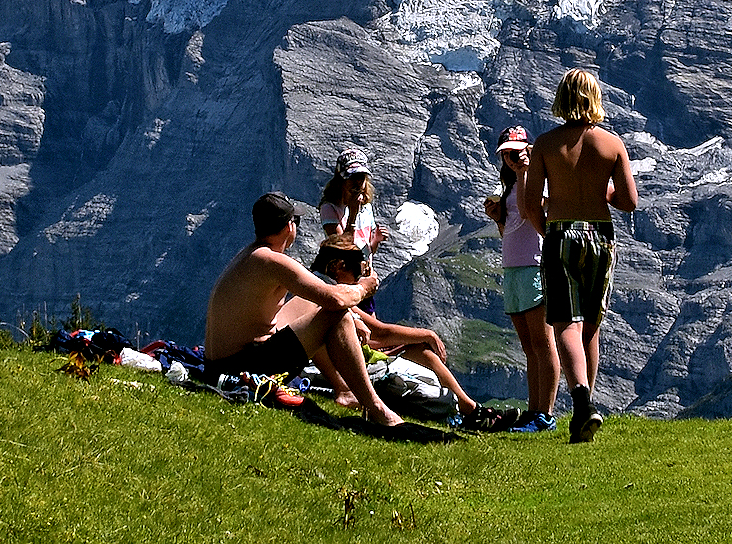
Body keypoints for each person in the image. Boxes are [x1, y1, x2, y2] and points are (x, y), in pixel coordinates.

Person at [203, 192, 403, 429]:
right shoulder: (272, 261)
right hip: (240, 369)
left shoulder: (251, 254)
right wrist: (362, 288)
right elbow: (335, 299)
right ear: (289, 226)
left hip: (218, 365)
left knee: (308, 303)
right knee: (335, 315)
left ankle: (345, 389)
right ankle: (377, 409)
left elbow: (321, 299)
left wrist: (350, 313)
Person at [524, 69, 638, 444]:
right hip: (601, 237)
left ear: (561, 98)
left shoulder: (544, 145)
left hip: (561, 235)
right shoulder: (611, 144)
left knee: (565, 325)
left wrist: (551, 232)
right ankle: (582, 418)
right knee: (591, 325)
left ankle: (582, 402)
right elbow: (629, 202)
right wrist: (601, 192)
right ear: (595, 98)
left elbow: (529, 206)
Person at [309, 234, 518, 432]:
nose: (361, 275)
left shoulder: (331, 293)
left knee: (419, 351)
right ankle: (472, 411)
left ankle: (471, 409)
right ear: (338, 268)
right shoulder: (334, 296)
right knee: (424, 350)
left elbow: (365, 340)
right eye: (357, 268)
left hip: (363, 358)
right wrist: (428, 334)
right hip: (354, 368)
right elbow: (380, 333)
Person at [484, 125, 561, 433]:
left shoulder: (536, 181)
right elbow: (510, 232)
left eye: (516, 152)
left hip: (533, 266)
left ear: (528, 149)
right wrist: (498, 217)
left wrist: (527, 169)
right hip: (513, 269)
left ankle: (546, 413)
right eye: (507, 155)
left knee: (544, 343)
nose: (512, 159)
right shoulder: (511, 186)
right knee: (529, 347)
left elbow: (537, 211)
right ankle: (533, 410)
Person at [318, 147, 388, 268]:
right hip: (343, 275)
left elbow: (368, 250)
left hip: (364, 273)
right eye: (352, 177)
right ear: (340, 180)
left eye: (361, 177)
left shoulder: (366, 207)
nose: (357, 182)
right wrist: (353, 214)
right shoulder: (329, 208)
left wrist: (376, 240)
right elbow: (342, 249)